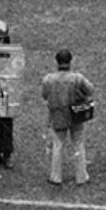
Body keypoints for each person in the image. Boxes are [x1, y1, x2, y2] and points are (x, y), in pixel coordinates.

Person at [41, 48, 92, 187]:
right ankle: (81, 176)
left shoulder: (48, 79)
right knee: (78, 145)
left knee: (57, 146)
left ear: (57, 62)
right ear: (70, 61)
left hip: (57, 116)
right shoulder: (77, 78)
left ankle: (55, 176)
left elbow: (44, 95)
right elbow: (90, 90)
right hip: (76, 115)